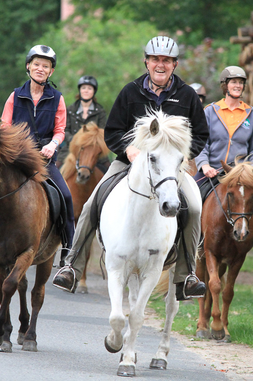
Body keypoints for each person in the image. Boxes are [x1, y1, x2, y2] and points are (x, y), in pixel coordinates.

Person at [53, 35, 210, 301]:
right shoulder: (130, 91)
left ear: (175, 64)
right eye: (156, 60)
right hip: (129, 163)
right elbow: (112, 130)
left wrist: (181, 157)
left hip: (170, 169)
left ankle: (187, 275)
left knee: (193, 208)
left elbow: (201, 134)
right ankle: (72, 266)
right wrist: (128, 150)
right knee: (91, 204)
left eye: (167, 61)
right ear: (147, 62)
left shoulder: (187, 96)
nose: (161, 65)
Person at [0, 45, 75, 256]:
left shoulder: (57, 98)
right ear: (28, 66)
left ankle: (68, 251)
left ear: (51, 71)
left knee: (65, 196)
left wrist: (53, 144)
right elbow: (5, 126)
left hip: (43, 160)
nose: (40, 69)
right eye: (36, 64)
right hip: (15, 158)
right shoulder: (15, 96)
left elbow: (60, 130)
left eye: (45, 66)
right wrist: (14, 147)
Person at [194, 65, 253, 273]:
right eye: (233, 82)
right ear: (225, 86)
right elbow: (201, 144)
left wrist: (251, 169)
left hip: (241, 175)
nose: (237, 85)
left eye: (240, 82)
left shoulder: (251, 115)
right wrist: (204, 166)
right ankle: (183, 250)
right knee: (187, 201)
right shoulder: (210, 112)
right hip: (213, 171)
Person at [57, 75, 107, 166]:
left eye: (89, 88)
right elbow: (65, 129)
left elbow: (102, 132)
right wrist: (72, 139)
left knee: (109, 170)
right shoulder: (70, 110)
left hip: (93, 150)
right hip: (71, 148)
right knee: (55, 170)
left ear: (94, 91)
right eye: (83, 88)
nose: (86, 91)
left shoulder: (100, 111)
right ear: (80, 90)